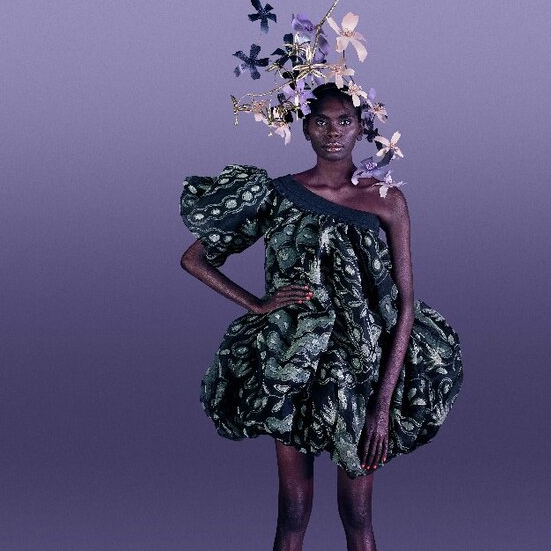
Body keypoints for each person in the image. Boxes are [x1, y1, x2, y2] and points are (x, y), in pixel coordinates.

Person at [180, 82, 463, 551]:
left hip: (361, 371)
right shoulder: (277, 195)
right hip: (294, 364)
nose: (333, 131)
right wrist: (257, 304)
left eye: (344, 121)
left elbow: (406, 303)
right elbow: (194, 258)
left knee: (357, 514)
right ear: (306, 129)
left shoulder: (386, 200)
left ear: (361, 128)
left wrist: (382, 406)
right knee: (292, 511)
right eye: (321, 121)